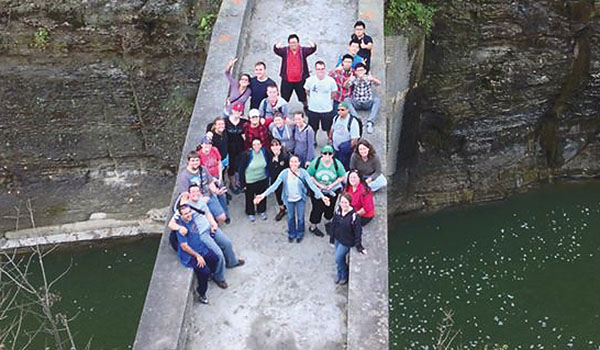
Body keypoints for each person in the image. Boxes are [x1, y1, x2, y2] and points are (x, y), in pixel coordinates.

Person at [169, 185, 245, 291]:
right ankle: (219, 277)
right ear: (189, 194)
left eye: (197, 191)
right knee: (218, 254)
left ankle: (232, 262)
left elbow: (207, 214)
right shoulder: (185, 207)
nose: (195, 194)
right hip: (201, 234)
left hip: (209, 228)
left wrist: (214, 224)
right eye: (193, 192)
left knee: (227, 243)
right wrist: (180, 227)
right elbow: (171, 224)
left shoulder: (201, 201)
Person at [254, 154, 330, 243]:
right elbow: (274, 186)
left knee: (301, 218)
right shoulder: (284, 173)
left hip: (300, 199)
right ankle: (292, 233)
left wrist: (322, 196)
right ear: (289, 163)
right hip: (289, 199)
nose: (293, 164)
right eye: (291, 161)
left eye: (295, 161)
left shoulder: (303, 173)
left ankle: (300, 233)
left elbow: (312, 186)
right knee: (290, 217)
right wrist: (263, 195)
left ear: (299, 163)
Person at [168, 205, 219, 303]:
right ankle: (201, 294)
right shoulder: (181, 228)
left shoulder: (193, 217)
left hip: (200, 247)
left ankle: (208, 276)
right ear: (181, 216)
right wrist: (197, 256)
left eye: (189, 212)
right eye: (185, 214)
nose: (188, 215)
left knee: (214, 259)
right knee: (205, 271)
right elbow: (184, 246)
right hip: (190, 255)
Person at [176, 152, 226, 224]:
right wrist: (199, 201)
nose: (195, 163)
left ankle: (215, 227)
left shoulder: (203, 169)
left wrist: (216, 191)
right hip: (196, 201)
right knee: (205, 222)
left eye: (197, 160)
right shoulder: (184, 176)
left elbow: (210, 182)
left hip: (209, 196)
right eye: (193, 161)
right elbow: (185, 195)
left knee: (222, 218)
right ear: (188, 161)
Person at [306, 144, 346, 237]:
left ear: (333, 154)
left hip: (332, 190)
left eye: (330, 153)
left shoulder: (336, 164)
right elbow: (309, 175)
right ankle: (313, 226)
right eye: (325, 153)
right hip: (318, 191)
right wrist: (319, 185)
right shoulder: (316, 163)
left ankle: (328, 222)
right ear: (321, 154)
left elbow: (342, 176)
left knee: (330, 207)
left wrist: (332, 185)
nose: (327, 155)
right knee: (317, 209)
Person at [328, 193, 366, 285]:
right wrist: (332, 237)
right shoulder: (338, 211)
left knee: (338, 258)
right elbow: (334, 224)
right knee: (339, 258)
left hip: (346, 241)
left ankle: (344, 275)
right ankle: (339, 274)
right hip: (338, 238)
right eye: (342, 202)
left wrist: (359, 246)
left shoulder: (354, 216)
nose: (343, 205)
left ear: (349, 203)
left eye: (345, 202)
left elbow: (358, 232)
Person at [273, 34, 317, 108]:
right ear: (289, 44)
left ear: (298, 43)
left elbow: (312, 49)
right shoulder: (285, 51)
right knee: (284, 98)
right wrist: (276, 46)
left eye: (294, 42)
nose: (293, 44)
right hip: (287, 80)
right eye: (291, 43)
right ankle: (282, 110)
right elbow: (277, 51)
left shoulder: (303, 51)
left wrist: (313, 45)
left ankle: (306, 107)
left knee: (303, 97)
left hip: (300, 80)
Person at [197, 136, 230, 223]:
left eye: (209, 144)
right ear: (201, 145)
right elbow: (200, 170)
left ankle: (226, 214)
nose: (207, 146)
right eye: (205, 144)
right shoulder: (199, 155)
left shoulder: (214, 150)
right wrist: (209, 181)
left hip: (217, 176)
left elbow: (219, 162)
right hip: (208, 180)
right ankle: (215, 216)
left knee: (222, 196)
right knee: (213, 197)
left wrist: (220, 177)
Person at [304, 60, 337, 143]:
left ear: (325, 69)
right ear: (315, 69)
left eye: (322, 69)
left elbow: (334, 93)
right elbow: (307, 90)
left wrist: (325, 99)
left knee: (328, 127)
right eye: (318, 69)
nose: (320, 71)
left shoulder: (330, 80)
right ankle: (313, 140)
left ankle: (330, 140)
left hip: (326, 109)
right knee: (313, 128)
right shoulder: (310, 80)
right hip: (313, 109)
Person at [239, 138, 271, 222]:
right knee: (249, 197)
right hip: (250, 180)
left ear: (261, 145)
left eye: (258, 144)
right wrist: (243, 184)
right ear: (252, 146)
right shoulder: (247, 155)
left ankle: (262, 210)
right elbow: (241, 170)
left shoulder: (265, 153)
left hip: (262, 179)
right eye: (254, 145)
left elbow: (269, 163)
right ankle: (250, 212)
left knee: (261, 196)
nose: (256, 146)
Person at [345, 63, 381, 134]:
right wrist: (349, 79)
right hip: (357, 102)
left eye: (361, 70)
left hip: (367, 102)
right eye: (358, 70)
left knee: (377, 100)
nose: (360, 72)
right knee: (346, 100)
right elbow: (345, 86)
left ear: (365, 71)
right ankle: (356, 119)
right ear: (355, 72)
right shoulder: (354, 79)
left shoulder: (368, 78)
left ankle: (370, 122)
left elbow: (378, 83)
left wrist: (372, 79)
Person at [225, 103, 248, 194]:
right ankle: (232, 183)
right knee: (231, 166)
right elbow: (212, 126)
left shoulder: (244, 122)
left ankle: (239, 182)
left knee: (239, 165)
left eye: (239, 111)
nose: (237, 112)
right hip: (229, 148)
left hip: (240, 147)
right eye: (235, 110)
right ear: (232, 110)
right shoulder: (226, 121)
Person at [329, 102, 361, 169]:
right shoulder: (336, 118)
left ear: (347, 110)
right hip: (335, 148)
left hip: (344, 151)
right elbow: (332, 129)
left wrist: (347, 148)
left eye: (342, 110)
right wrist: (330, 138)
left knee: (344, 167)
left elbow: (354, 139)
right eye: (338, 110)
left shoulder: (353, 121)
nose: (340, 112)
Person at [267, 138, 290, 221]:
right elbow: (269, 169)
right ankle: (282, 209)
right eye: (272, 145)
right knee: (278, 195)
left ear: (280, 146)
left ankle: (290, 209)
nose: (274, 147)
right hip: (275, 180)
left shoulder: (285, 157)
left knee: (287, 195)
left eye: (276, 145)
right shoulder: (270, 156)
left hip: (285, 181)